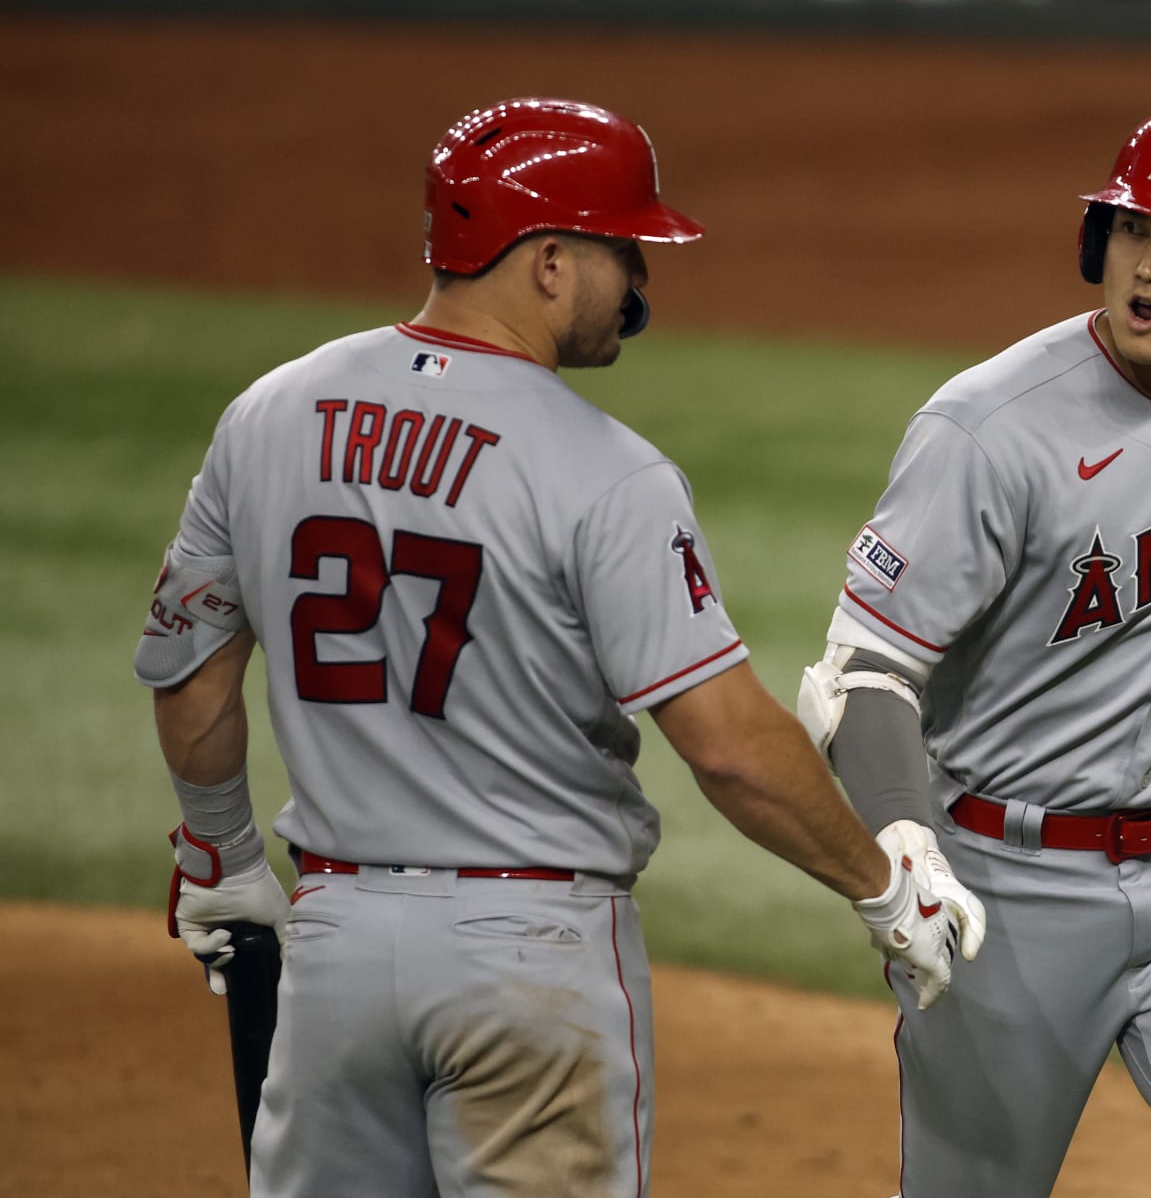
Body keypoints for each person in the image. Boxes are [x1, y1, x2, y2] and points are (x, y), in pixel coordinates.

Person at [136, 97, 969, 1198]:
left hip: (335, 950)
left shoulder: (268, 416)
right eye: (623, 251)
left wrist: (222, 856)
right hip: (529, 960)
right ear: (547, 260)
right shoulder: (607, 471)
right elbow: (725, 745)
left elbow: (192, 674)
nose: (638, 285)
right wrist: (882, 887)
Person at [797, 109, 1151, 1197]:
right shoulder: (987, 429)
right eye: (1130, 227)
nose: (1148, 266)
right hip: (1009, 892)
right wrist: (904, 851)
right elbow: (865, 669)